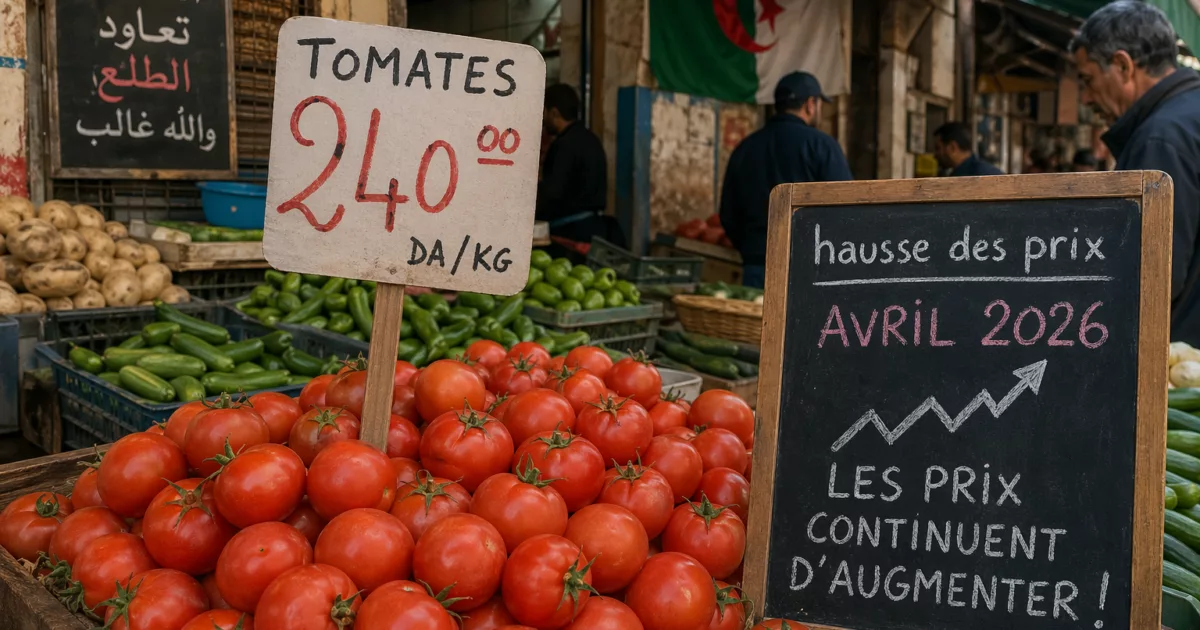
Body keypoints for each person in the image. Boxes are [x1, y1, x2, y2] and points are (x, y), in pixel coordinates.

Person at [1071, 1, 1200, 342]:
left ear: (1123, 66)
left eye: (1087, 80)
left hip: (1177, 361)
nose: (1085, 98)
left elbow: (1153, 279)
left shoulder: (1161, 139)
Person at [719, 71, 852, 288]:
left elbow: (728, 215)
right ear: (810, 104)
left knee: (755, 323)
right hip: (809, 267)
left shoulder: (745, 147)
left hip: (757, 267)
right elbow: (847, 208)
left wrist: (756, 248)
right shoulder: (822, 146)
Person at [537, 84, 621, 246]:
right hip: (594, 229)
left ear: (554, 113)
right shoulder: (591, 139)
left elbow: (553, 193)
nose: (543, 120)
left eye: (544, 113)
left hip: (571, 234)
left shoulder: (564, 145)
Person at [932, 122, 1004, 176]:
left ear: (952, 147)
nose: (935, 155)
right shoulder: (959, 173)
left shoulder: (983, 175)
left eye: (938, 148)